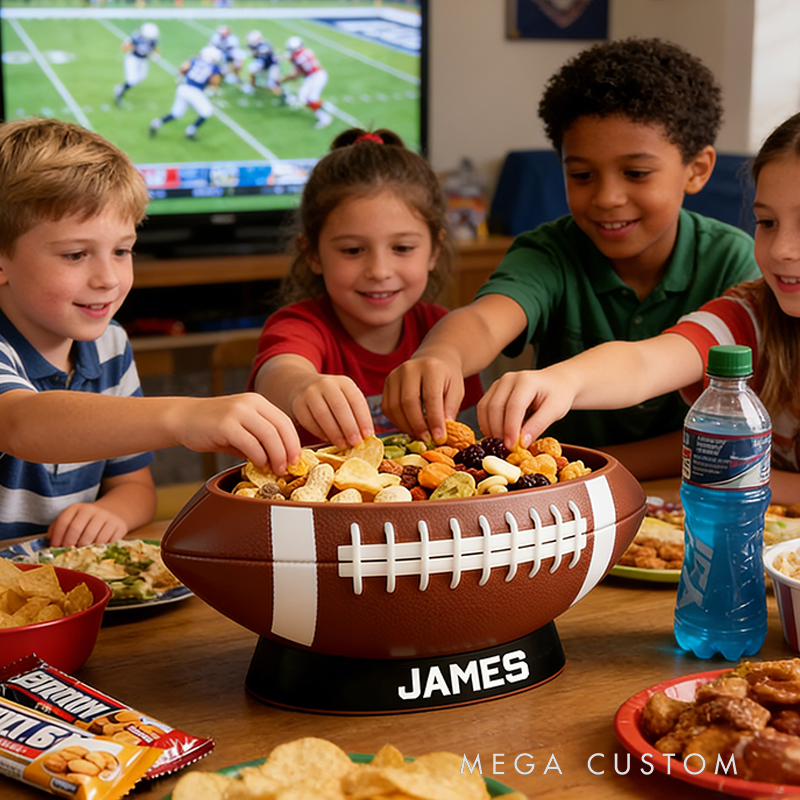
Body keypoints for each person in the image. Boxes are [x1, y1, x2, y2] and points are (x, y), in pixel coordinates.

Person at [382, 37, 760, 480]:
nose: (607, 198)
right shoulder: (550, 252)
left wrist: (589, 469)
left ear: (696, 169)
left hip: (685, 489)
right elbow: (485, 320)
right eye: (581, 175)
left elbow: (730, 431)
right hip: (567, 499)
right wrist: (440, 356)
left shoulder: (734, 260)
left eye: (636, 174)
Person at [0, 117, 300, 545]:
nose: (108, 277)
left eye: (122, 250)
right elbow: (20, 423)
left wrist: (110, 512)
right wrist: (185, 415)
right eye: (75, 254)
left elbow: (135, 488)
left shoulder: (110, 344)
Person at [475, 111, 800, 503]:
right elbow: (645, 363)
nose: (781, 250)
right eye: (767, 222)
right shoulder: (751, 314)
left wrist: (735, 482)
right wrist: (564, 381)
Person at [247, 128, 483, 449]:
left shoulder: (446, 335)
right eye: (353, 251)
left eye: (402, 248)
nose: (379, 272)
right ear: (313, 254)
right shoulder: (300, 326)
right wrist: (302, 386)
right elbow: (278, 372)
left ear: (435, 250)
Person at [149, 46, 223, 140]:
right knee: (207, 112)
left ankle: (156, 123)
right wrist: (215, 89)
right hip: (195, 91)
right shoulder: (214, 67)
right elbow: (214, 82)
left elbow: (183, 68)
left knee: (176, 113)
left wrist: (181, 76)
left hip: (183, 88)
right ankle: (190, 131)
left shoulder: (194, 60)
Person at [278, 36, 332, 129]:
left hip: (315, 77)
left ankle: (325, 118)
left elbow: (295, 75)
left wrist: (283, 79)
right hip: (317, 75)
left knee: (310, 99)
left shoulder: (297, 57)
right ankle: (325, 106)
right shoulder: (307, 51)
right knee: (303, 98)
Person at [113, 22, 160, 107]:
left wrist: (155, 54)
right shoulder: (136, 38)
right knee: (132, 80)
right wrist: (132, 47)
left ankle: (120, 87)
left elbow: (154, 49)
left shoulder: (152, 40)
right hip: (133, 59)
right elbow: (124, 48)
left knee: (140, 78)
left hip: (144, 61)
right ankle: (119, 93)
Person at [243, 30, 285, 100]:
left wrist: (254, 52)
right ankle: (251, 87)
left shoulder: (265, 46)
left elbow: (262, 59)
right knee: (251, 70)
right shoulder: (255, 46)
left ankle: (283, 98)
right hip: (264, 65)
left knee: (271, 83)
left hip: (272, 66)